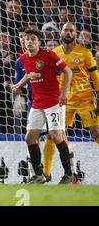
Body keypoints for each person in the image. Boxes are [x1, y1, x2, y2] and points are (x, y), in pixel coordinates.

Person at [12, 28, 74, 184]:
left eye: (33, 39)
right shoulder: (23, 59)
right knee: (30, 137)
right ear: (24, 43)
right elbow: (29, 73)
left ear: (39, 42)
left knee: (55, 136)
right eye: (27, 39)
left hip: (54, 102)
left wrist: (64, 93)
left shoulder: (49, 55)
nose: (30, 41)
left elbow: (67, 72)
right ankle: (38, 175)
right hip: (37, 103)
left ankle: (69, 174)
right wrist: (18, 85)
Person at [44, 22, 99, 181]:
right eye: (65, 30)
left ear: (76, 34)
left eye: (71, 30)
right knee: (52, 135)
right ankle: (46, 173)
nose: (68, 33)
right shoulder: (54, 53)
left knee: (96, 132)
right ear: (60, 33)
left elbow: (95, 77)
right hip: (63, 100)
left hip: (85, 99)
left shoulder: (85, 53)